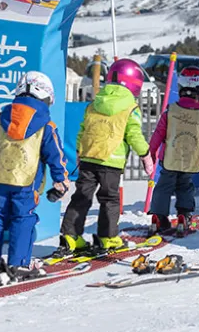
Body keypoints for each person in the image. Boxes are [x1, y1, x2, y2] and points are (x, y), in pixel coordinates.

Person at [0, 71, 70, 285]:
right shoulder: (46, 125)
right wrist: (60, 180)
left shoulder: (1, 118)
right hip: (27, 182)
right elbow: (56, 155)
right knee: (23, 219)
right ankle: (18, 264)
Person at [55, 59, 155, 257]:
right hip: (111, 161)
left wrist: (79, 150)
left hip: (88, 157)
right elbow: (134, 134)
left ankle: (70, 236)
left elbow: (83, 129)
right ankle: (107, 237)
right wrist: (145, 154)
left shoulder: (95, 103)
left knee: (81, 197)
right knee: (109, 199)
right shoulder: (130, 107)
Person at [148, 66, 199, 234]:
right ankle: (184, 216)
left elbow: (158, 134)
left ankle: (158, 217)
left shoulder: (171, 111)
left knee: (163, 186)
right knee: (185, 186)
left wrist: (151, 153)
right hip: (191, 159)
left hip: (169, 158)